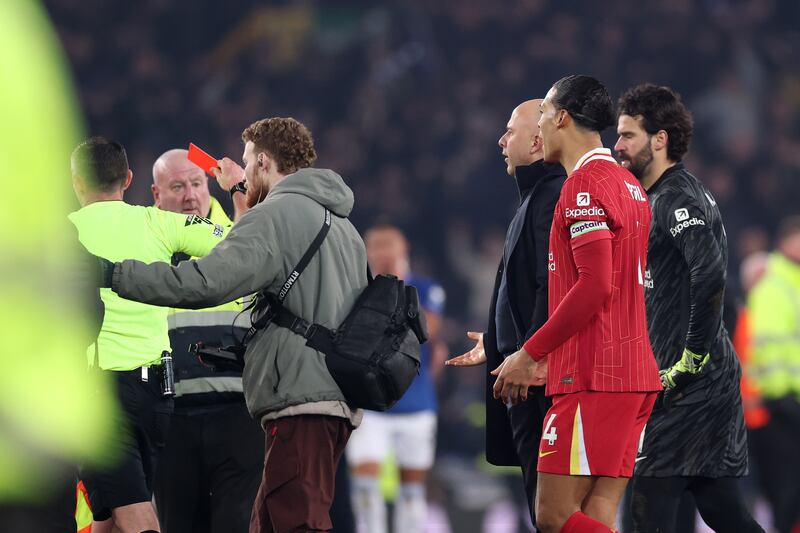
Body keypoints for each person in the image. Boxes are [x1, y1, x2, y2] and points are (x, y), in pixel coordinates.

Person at [98, 117, 367, 533]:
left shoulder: (274, 218)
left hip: (298, 395)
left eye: (245, 164)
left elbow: (207, 282)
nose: (238, 175)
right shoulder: (340, 223)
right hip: (326, 395)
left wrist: (113, 274)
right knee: (268, 521)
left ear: (262, 160)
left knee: (296, 523)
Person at [491, 75, 661, 533]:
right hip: (633, 373)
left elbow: (594, 286)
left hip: (593, 374)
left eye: (542, 116)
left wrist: (529, 353)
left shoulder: (582, 187)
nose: (539, 128)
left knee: (552, 516)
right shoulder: (629, 187)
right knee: (596, 512)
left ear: (561, 116)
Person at [613, 83, 762, 533]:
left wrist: (689, 358)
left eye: (628, 136)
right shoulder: (657, 197)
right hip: (698, 383)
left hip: (688, 388)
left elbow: (711, 273)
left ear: (660, 139)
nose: (617, 146)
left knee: (645, 512)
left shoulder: (677, 197)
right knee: (722, 510)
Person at [69, 137, 229, 533]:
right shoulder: (160, 223)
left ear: (76, 182)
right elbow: (234, 243)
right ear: (128, 179)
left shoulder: (62, 234)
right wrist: (240, 195)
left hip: (99, 393)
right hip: (157, 395)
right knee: (108, 516)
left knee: (133, 513)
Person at [445, 99, 566, 524]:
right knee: (548, 513)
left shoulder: (551, 196)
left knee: (555, 515)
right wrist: (497, 342)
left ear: (537, 141)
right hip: (525, 370)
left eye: (510, 131)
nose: (501, 140)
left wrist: (528, 352)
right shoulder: (535, 196)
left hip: (538, 380)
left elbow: (551, 287)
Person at [150, 149, 264, 533]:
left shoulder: (238, 231)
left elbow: (255, 239)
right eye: (177, 186)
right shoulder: (145, 244)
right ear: (156, 194)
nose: (189, 195)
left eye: (197, 183)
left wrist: (241, 191)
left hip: (238, 411)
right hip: (172, 416)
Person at [345, 224, 446, 533]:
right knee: (364, 488)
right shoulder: (354, 291)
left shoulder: (426, 289)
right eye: (374, 245)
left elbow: (426, 331)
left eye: (388, 244)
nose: (381, 251)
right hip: (369, 409)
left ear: (404, 250)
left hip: (416, 408)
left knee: (413, 494)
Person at [747, 216, 800, 533]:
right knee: (786, 492)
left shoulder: (790, 282)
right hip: (777, 404)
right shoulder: (772, 284)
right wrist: (776, 394)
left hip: (790, 401)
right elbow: (765, 347)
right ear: (785, 241)